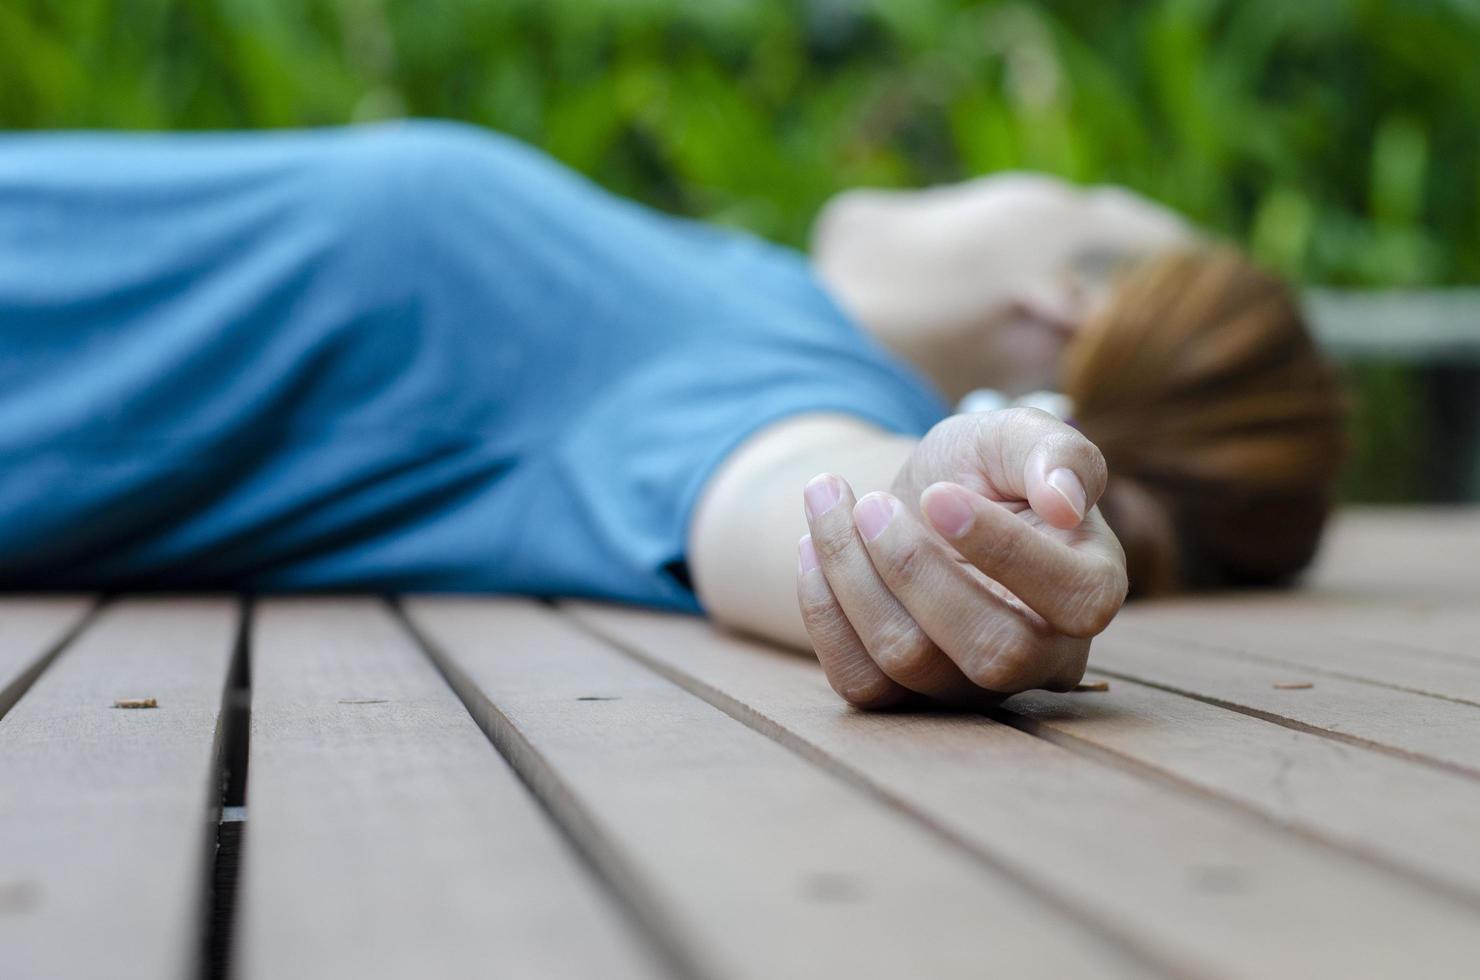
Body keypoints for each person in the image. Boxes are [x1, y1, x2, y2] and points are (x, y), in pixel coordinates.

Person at [0, 121, 1345, 709]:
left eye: (1070, 190)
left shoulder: (767, 376)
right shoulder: (746, 305)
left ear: (1056, 299)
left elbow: (805, 490)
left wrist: (946, 516)